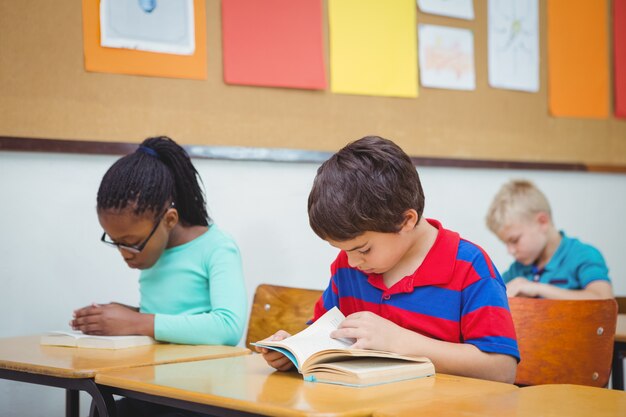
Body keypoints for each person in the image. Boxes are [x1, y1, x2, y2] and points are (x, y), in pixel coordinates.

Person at [257, 136, 519, 383]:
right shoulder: (349, 268)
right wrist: (293, 351)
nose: (350, 262)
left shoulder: (469, 267)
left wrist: (401, 343)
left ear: (406, 221)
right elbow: (326, 339)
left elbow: (502, 369)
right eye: (343, 250)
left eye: (363, 249)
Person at [70, 136, 247, 417]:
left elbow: (227, 326)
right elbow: (174, 316)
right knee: (102, 408)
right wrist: (122, 316)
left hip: (204, 394)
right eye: (115, 242)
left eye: (132, 242)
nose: (125, 254)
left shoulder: (216, 247)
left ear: (170, 220)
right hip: (155, 386)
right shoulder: (154, 251)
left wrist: (137, 321)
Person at [485, 179, 613, 300]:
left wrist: (537, 289)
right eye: (505, 243)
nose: (510, 250)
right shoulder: (517, 270)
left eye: (514, 240)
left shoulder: (583, 255)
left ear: (542, 222)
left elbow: (604, 299)